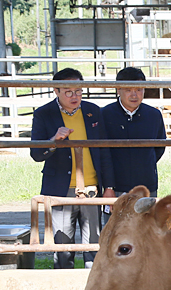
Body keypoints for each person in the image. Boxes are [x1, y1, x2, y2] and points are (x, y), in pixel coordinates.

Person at [30, 67, 114, 269]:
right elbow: (36, 154)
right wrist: (53, 140)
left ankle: (92, 288)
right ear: (56, 91)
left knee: (94, 243)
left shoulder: (93, 111)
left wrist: (109, 185)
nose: (74, 96)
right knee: (63, 244)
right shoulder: (43, 114)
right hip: (60, 188)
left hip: (91, 188)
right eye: (68, 91)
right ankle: (62, 284)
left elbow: (104, 151)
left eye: (78, 91)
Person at [102, 66, 166, 222]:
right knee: (115, 231)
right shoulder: (105, 114)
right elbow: (102, 153)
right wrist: (108, 186)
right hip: (116, 186)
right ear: (118, 90)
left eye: (139, 89)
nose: (134, 94)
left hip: (146, 184)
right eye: (128, 89)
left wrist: (144, 163)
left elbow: (160, 147)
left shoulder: (153, 115)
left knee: (146, 230)